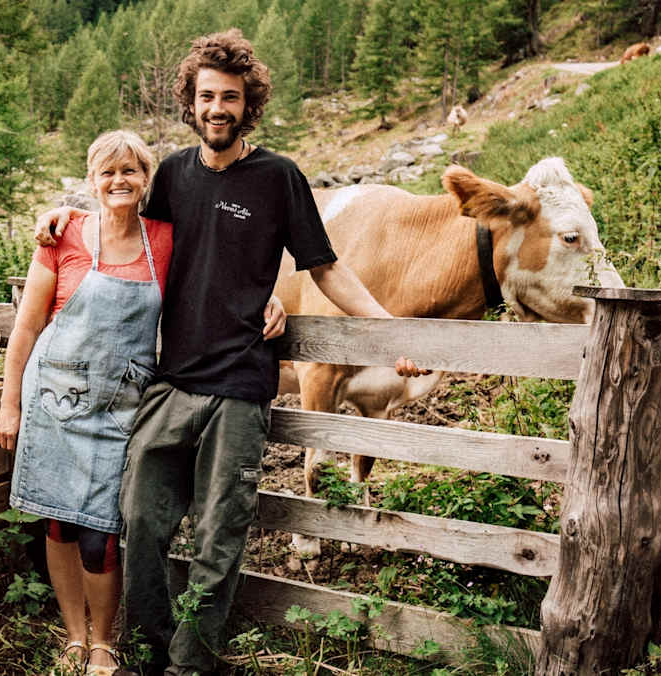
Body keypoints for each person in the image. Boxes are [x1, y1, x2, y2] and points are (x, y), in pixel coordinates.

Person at [34, 31, 426, 676]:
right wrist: (64, 215)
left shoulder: (278, 177)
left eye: (231, 98)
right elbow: (120, 222)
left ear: (250, 105)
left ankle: (191, 662)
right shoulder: (172, 179)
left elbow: (325, 269)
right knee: (140, 524)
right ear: (191, 102)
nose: (218, 107)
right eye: (207, 95)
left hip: (241, 389)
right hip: (171, 383)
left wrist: (393, 332)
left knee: (220, 539)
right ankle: (156, 645)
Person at [0, 129, 288, 676]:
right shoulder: (62, 237)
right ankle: (74, 638)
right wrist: (9, 403)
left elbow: (217, 275)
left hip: (121, 407)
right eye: (107, 172)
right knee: (58, 523)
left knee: (102, 529)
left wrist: (264, 296)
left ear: (146, 179)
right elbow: (28, 324)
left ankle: (104, 643)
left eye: (130, 170)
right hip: (55, 401)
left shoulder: (164, 238)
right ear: (91, 181)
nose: (119, 181)